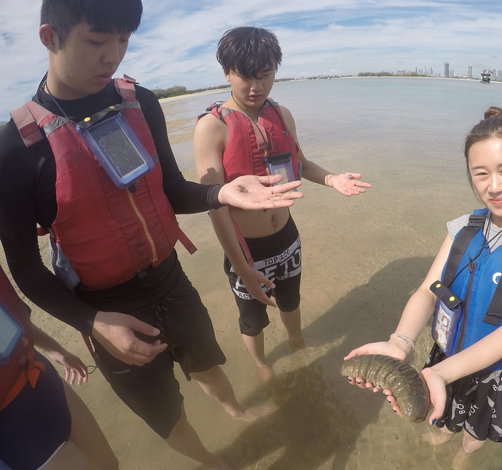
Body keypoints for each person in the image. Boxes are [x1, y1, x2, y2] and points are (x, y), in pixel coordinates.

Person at [0, 2, 302, 469]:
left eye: (123, 40)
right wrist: (91, 321)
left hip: (170, 280)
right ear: (50, 38)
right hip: (104, 304)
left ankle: (235, 412)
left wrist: (220, 193)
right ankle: (211, 460)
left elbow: (173, 190)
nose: (113, 55)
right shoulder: (17, 149)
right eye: (97, 41)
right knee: (162, 409)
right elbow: (24, 267)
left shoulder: (139, 102)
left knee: (207, 363)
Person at [345, 107, 502, 468]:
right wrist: (400, 342)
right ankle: (445, 433)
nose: (494, 186)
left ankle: (464, 454)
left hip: (501, 368)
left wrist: (441, 373)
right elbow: (427, 291)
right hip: (448, 354)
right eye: (480, 173)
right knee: (444, 413)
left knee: (478, 429)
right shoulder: (462, 229)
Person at [194, 27, 372, 382]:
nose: (255, 86)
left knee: (291, 300)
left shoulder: (282, 114)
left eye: (265, 75)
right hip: (246, 248)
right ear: (227, 72)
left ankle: (296, 340)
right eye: (245, 76)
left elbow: (300, 163)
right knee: (252, 318)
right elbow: (214, 206)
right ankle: (262, 364)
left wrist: (332, 179)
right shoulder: (212, 127)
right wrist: (242, 267)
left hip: (287, 237)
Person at [0, 265, 118, 470]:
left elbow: (12, 317)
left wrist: (56, 350)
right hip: (13, 426)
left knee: (108, 464)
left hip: (40, 378)